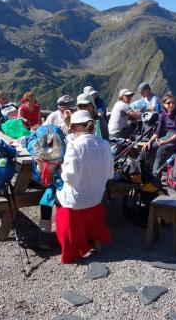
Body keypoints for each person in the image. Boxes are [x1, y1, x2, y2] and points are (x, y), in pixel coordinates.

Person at [56, 110, 114, 263]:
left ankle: (66, 241)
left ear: (74, 128)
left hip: (77, 201)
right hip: (96, 197)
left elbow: (69, 177)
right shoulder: (105, 144)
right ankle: (92, 238)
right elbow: (110, 174)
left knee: (52, 192)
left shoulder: (74, 145)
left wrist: (62, 169)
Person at [142, 94, 176, 177]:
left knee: (161, 150)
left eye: (173, 103)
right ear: (164, 104)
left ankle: (155, 176)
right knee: (148, 147)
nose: (171, 105)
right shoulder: (162, 115)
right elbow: (157, 132)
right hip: (166, 137)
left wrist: (165, 142)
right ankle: (138, 168)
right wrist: (149, 142)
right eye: (169, 103)